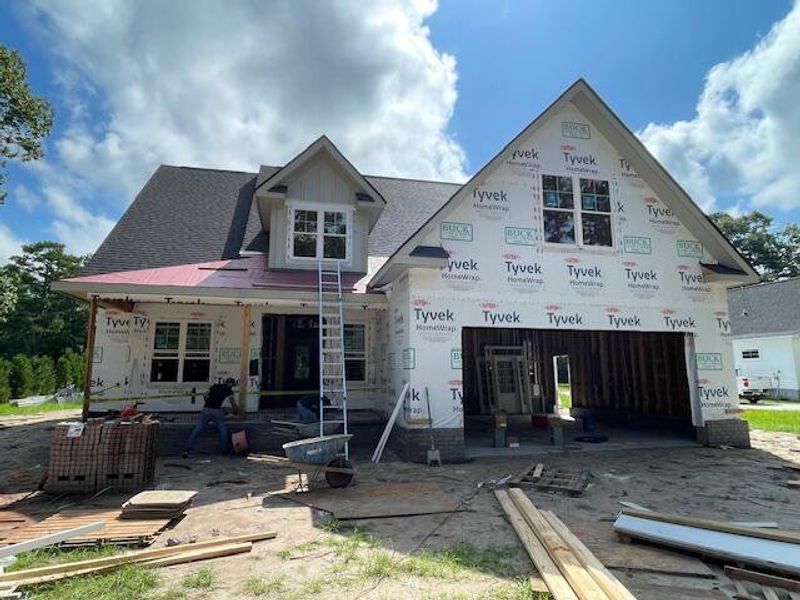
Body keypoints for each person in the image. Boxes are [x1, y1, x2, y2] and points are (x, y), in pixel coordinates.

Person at [183, 377, 240, 457]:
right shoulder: (229, 390)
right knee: (222, 430)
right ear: (231, 384)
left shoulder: (215, 386)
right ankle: (224, 451)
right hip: (216, 410)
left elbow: (205, 395)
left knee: (197, 429)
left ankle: (187, 450)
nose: (232, 386)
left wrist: (208, 402)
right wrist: (236, 410)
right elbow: (232, 402)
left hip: (206, 409)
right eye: (232, 385)